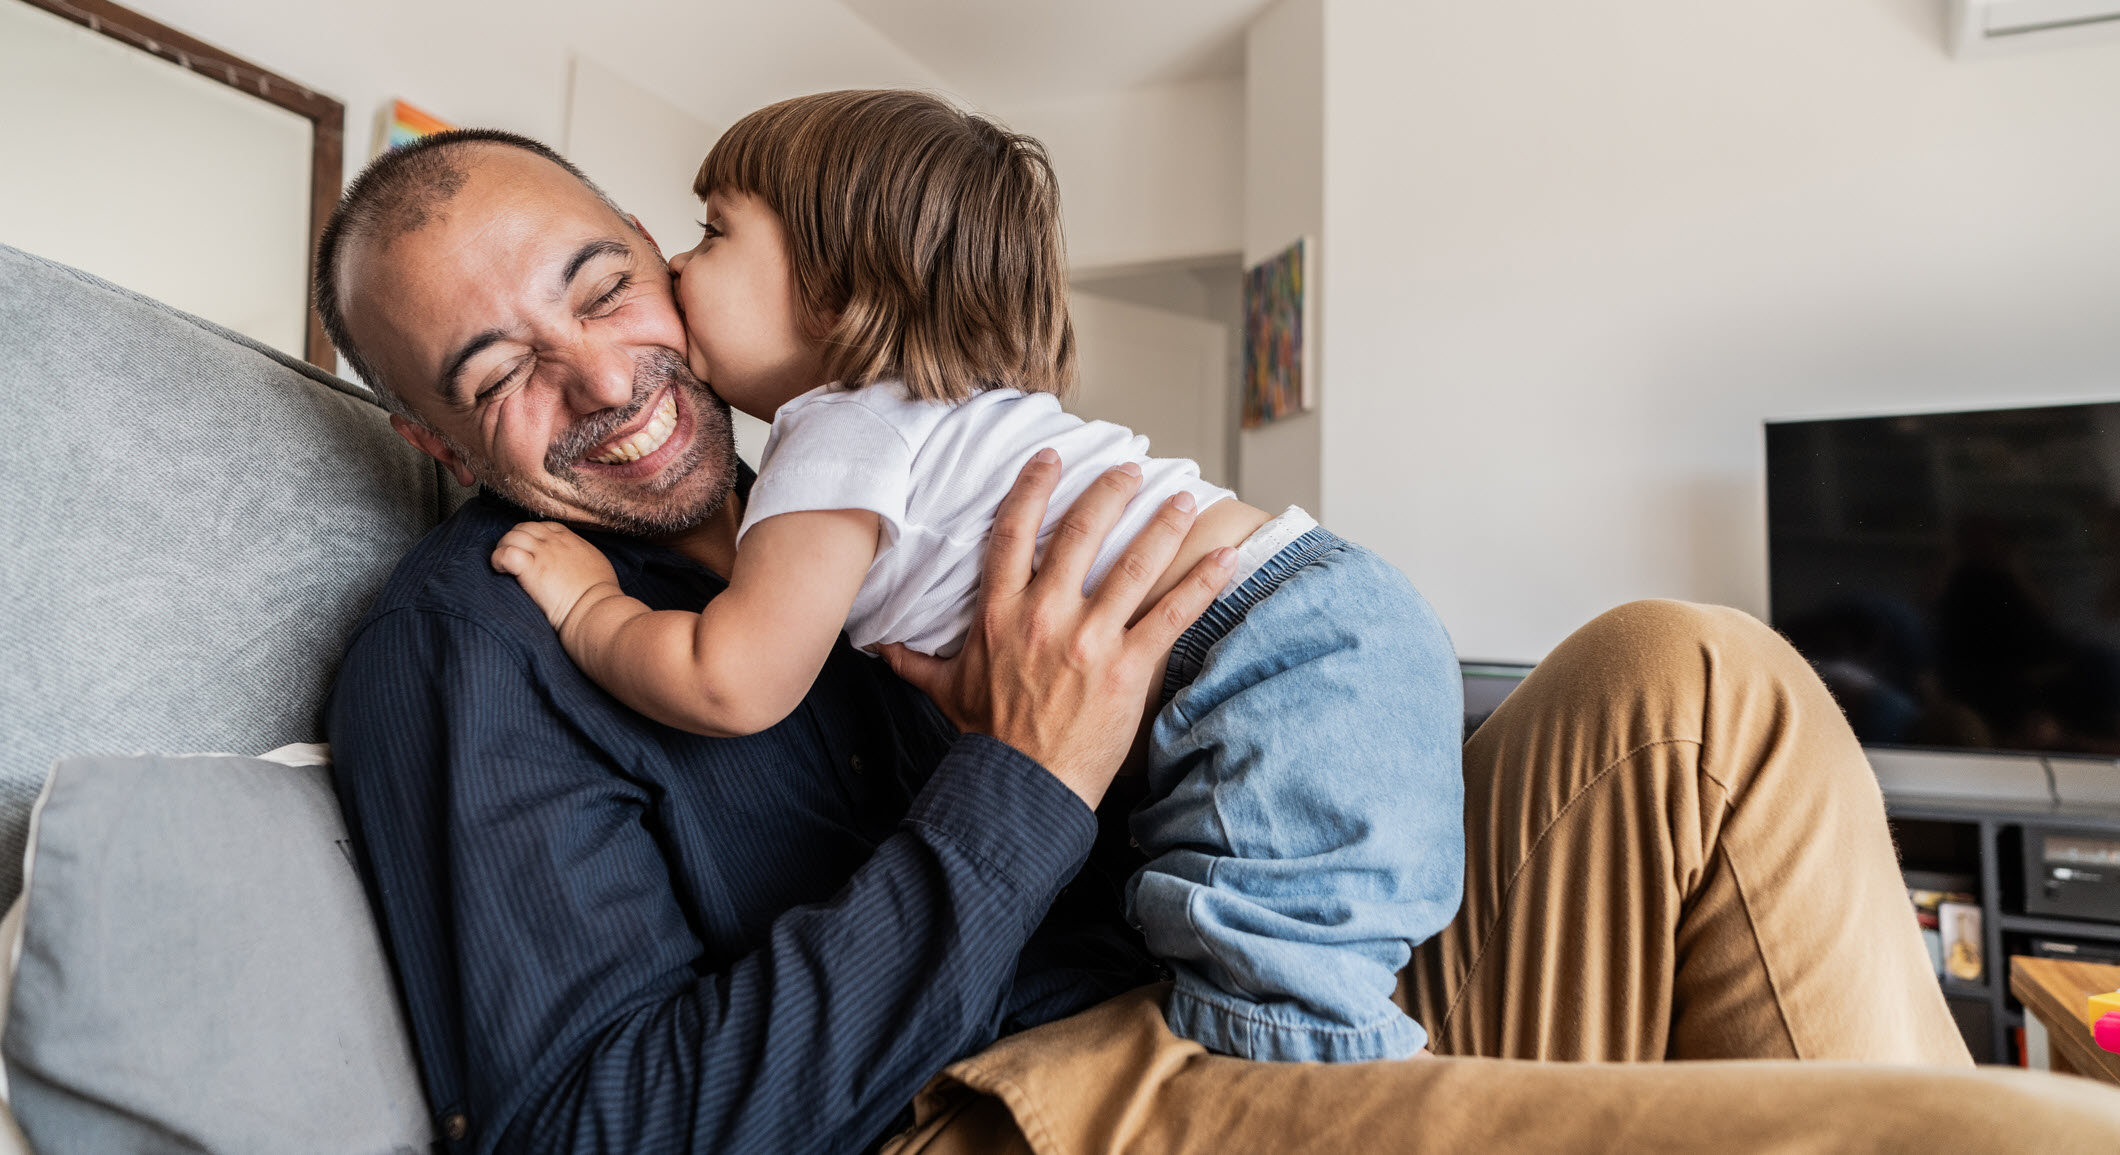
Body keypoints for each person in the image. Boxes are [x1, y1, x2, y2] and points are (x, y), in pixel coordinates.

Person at [318, 128, 2120, 1154]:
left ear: (663, 260)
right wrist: (1019, 781)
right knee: (2029, 1142)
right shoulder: (474, 648)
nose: (599, 383)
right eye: (497, 377)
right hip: (1010, 1100)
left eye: (606, 287)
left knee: (1693, 684)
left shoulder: (844, 483)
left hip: (1224, 959)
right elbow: (592, 1135)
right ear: (439, 442)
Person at [484, 89, 1463, 1066]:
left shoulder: (835, 433)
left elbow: (730, 679)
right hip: (1329, 614)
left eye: (714, 230)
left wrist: (589, 606)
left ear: (833, 287)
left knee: (1273, 1029)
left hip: (1249, 666)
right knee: (1329, 979)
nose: (681, 264)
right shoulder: (939, 415)